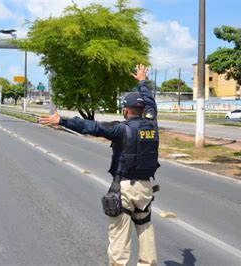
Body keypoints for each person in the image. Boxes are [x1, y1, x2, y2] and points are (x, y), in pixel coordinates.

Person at [39, 64, 159, 266]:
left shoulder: (121, 129)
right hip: (145, 188)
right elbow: (150, 103)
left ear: (126, 110)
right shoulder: (152, 124)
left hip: (125, 189)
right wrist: (142, 82)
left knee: (119, 235)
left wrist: (62, 121)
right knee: (145, 227)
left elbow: (91, 127)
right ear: (142, 110)